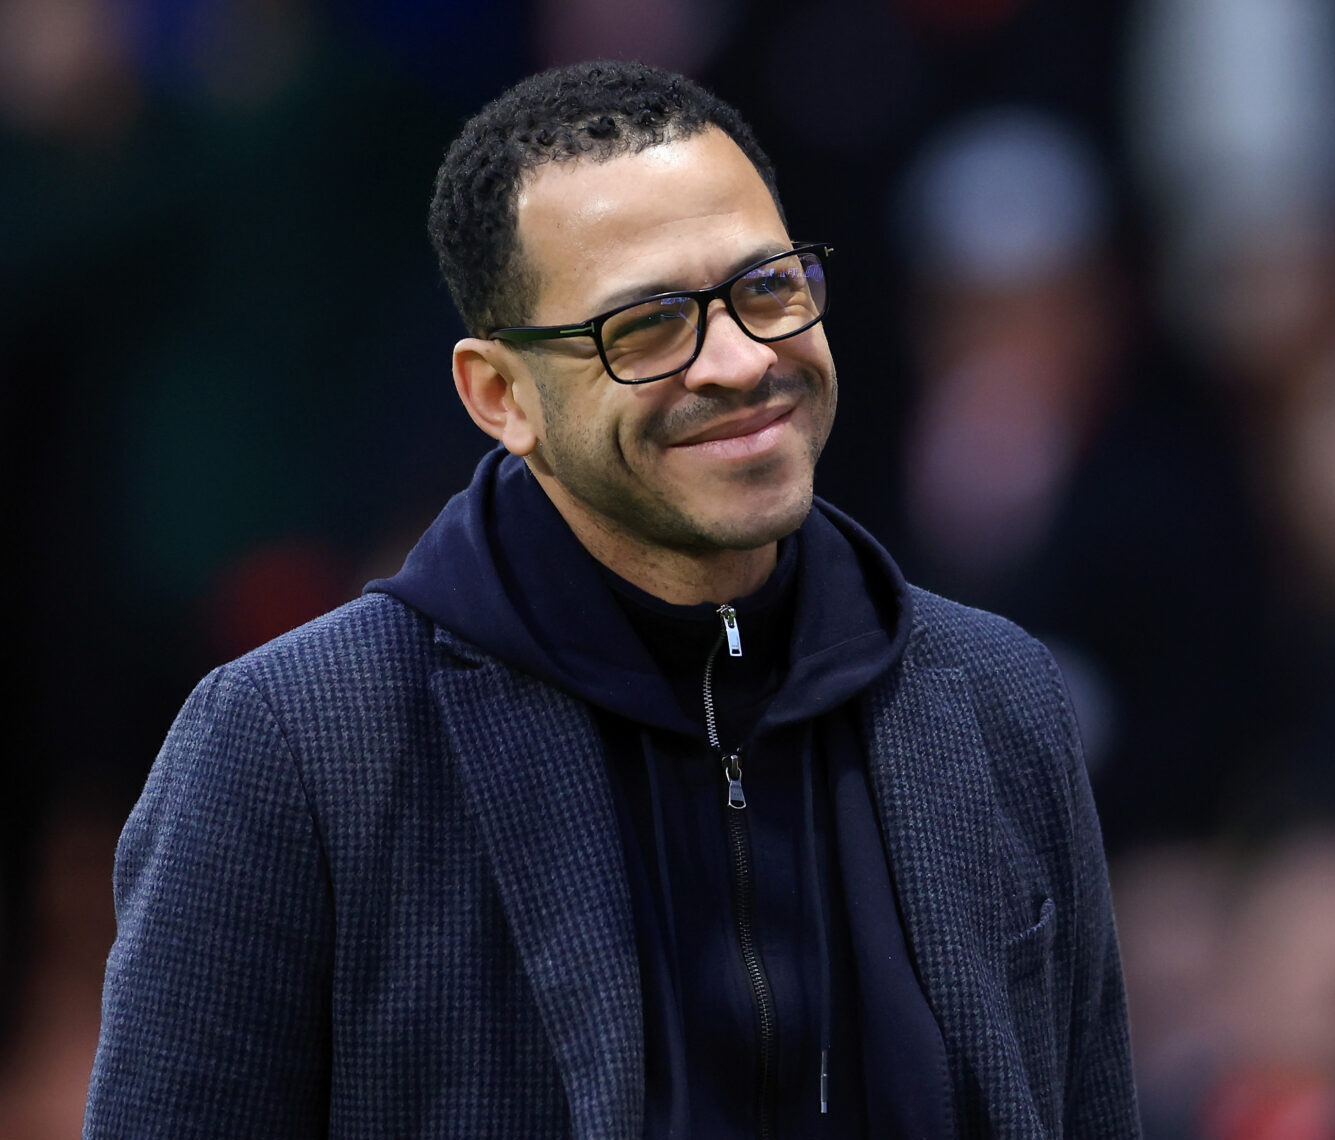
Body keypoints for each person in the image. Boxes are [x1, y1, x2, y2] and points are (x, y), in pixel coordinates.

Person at [82, 60, 1138, 1139]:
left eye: (767, 287)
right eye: (647, 326)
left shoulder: (998, 699)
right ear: (501, 397)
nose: (736, 360)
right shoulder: (295, 746)